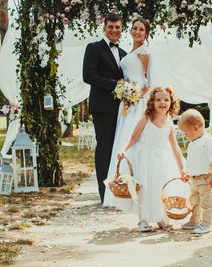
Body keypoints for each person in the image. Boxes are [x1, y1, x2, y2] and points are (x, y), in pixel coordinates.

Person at [115, 86, 185, 232]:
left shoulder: (169, 121)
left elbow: (175, 147)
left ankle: (160, 217)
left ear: (172, 103)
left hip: (161, 158)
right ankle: (143, 219)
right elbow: (133, 137)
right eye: (158, 99)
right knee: (144, 188)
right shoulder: (146, 119)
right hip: (144, 157)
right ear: (152, 102)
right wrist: (123, 150)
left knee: (160, 188)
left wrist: (181, 168)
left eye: (166, 100)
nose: (162, 103)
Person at [103, 18, 151, 207]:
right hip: (127, 100)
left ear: (146, 33)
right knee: (124, 137)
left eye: (141, 30)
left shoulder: (144, 52)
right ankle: (122, 185)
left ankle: (141, 183)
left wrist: (138, 96)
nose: (137, 32)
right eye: (134, 29)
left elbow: (149, 80)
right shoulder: (126, 52)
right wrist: (126, 92)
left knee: (137, 137)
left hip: (138, 100)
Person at [83, 13, 127, 204]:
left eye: (117, 27)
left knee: (119, 150)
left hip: (122, 110)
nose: (114, 30)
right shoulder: (94, 48)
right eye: (111, 27)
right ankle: (104, 194)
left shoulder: (124, 53)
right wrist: (115, 84)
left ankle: (120, 190)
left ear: (121, 29)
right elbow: (88, 76)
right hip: (102, 108)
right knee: (105, 150)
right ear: (104, 28)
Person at [177, 109, 212, 234]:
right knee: (194, 201)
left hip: (206, 179)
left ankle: (206, 223)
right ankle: (195, 220)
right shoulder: (193, 142)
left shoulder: (208, 142)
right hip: (194, 179)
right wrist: (187, 173)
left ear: (196, 128)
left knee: (206, 203)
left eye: (186, 133)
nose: (185, 136)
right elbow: (192, 161)